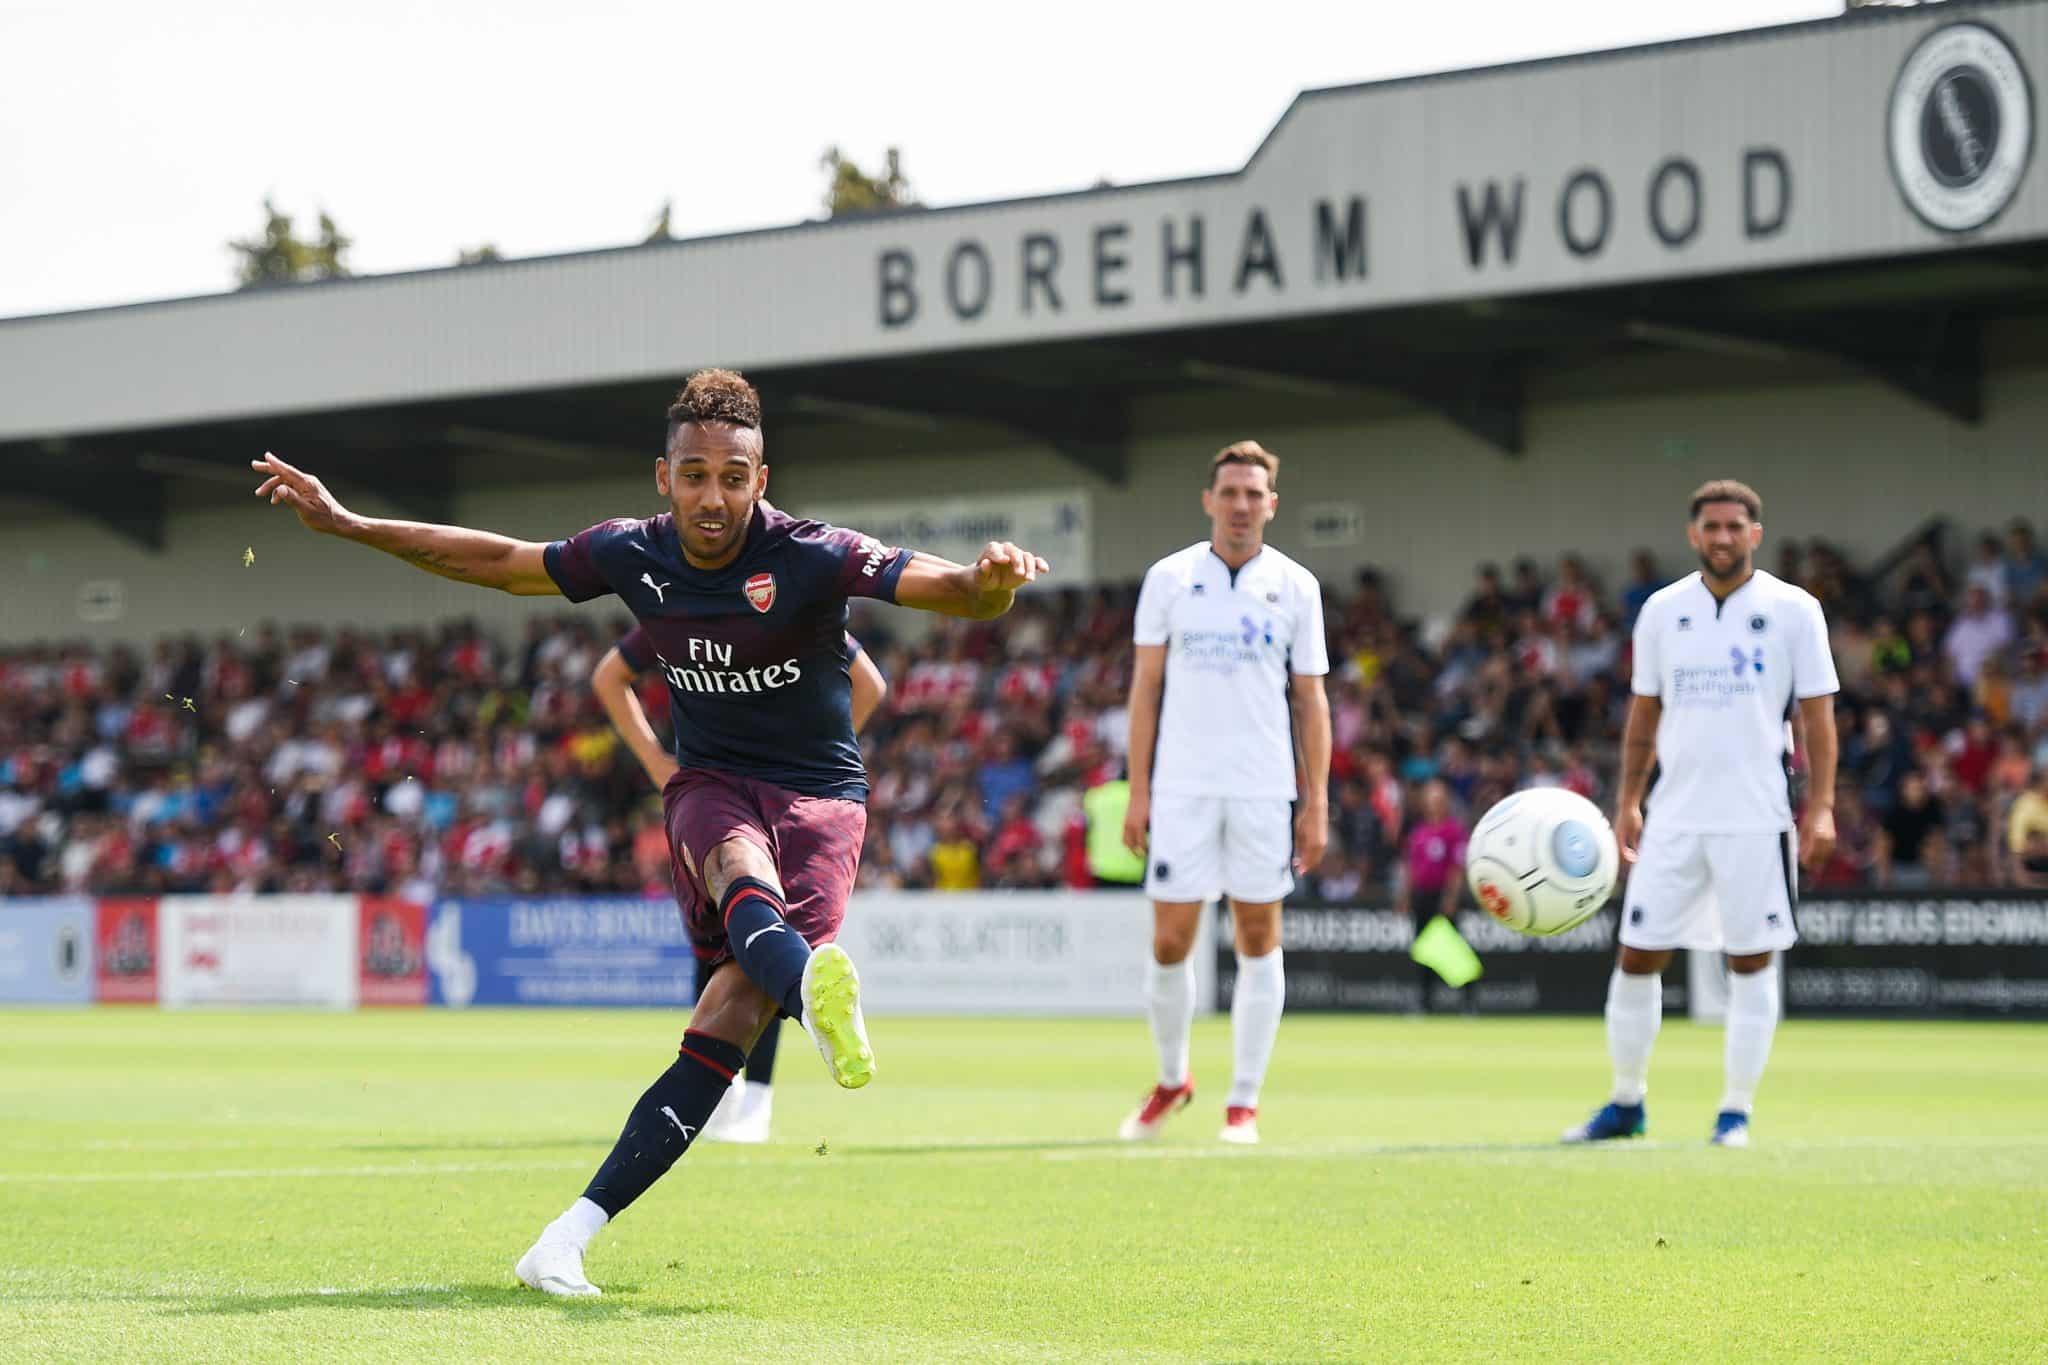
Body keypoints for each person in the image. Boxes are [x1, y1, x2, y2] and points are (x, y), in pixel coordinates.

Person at [252, 368, 1048, 1296]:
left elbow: (950, 588)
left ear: (762, 475)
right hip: (709, 783)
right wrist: (351, 525)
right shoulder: (631, 554)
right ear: (663, 476)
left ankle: (563, 1237)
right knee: (734, 862)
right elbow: (499, 561)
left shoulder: (814, 553)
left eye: (735, 475)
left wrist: (992, 586)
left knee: (727, 1015)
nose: (716, 496)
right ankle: (814, 994)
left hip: (824, 799)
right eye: (697, 473)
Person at [1564, 479, 1838, 1150]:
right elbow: (1644, 712)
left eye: (1734, 525)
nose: (1722, 536)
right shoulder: (1662, 610)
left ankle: (1734, 1112)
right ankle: (1627, 1102)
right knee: (1636, 956)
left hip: (1757, 816)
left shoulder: (1793, 609)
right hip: (1674, 816)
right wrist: (1629, 799)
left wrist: (1822, 806)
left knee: (1751, 963)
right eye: (1710, 526)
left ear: (1755, 533)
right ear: (1692, 534)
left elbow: (1819, 717)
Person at [590, 619, 887, 1144]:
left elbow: (869, 683)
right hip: (720, 797)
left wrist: (820, 760)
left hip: (746, 802)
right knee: (728, 942)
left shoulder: (782, 594)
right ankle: (737, 1095)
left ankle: (749, 1099)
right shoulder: (685, 599)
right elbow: (609, 677)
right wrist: (659, 763)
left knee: (749, 942)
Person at [1119, 440, 1331, 1146]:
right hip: (1180, 787)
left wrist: (1316, 800)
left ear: (1272, 503)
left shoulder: (1297, 586)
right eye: (1230, 492)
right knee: (1171, 939)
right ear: (1210, 500)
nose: (1241, 505)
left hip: (1264, 790)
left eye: (1254, 493)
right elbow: (1145, 688)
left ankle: (1244, 1099)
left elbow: (1311, 700)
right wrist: (1138, 790)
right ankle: (1174, 1077)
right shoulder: (1170, 578)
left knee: (1258, 935)